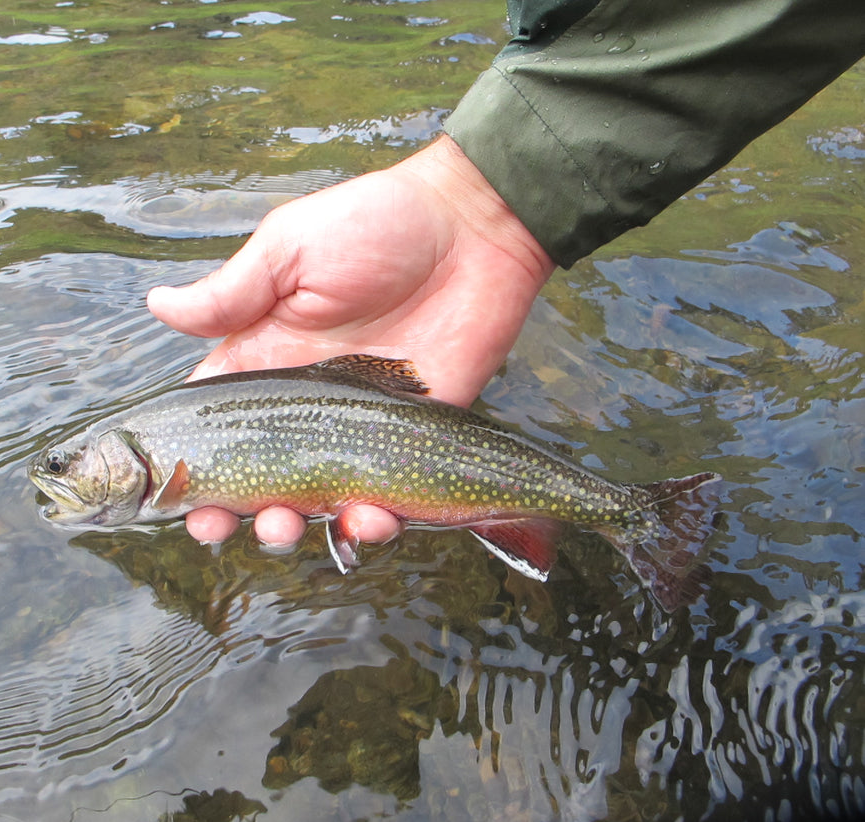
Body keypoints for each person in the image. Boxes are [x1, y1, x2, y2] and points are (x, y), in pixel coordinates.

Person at [146, 0, 865, 548]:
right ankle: (636, 515)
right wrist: (480, 192)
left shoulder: (161, 450)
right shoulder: (160, 443)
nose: (78, 478)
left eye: (80, 466)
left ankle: (637, 516)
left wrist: (478, 195)